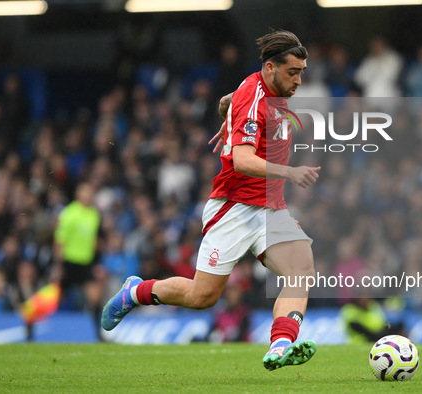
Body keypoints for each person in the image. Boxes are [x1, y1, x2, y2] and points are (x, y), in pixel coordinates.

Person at [102, 30, 321, 371]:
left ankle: (280, 344)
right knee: (202, 297)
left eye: (302, 72)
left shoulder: (265, 91)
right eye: (293, 72)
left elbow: (230, 100)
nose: (299, 80)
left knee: (301, 270)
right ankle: (136, 291)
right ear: (269, 68)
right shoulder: (255, 94)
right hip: (234, 208)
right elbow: (243, 161)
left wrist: (227, 111)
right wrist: (289, 172)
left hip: (270, 208)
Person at [53, 182, 105, 335]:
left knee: (95, 298)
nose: (88, 196)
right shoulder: (69, 213)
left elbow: (94, 240)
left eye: (90, 192)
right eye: (85, 192)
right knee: (54, 298)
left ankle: (99, 334)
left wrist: (97, 259)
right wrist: (58, 265)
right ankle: (31, 321)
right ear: (78, 195)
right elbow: (59, 241)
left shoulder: (94, 214)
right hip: (69, 262)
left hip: (85, 263)